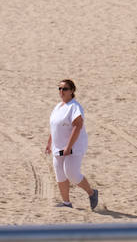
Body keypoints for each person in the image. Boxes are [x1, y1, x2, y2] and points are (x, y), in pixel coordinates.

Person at [46, 79, 99, 210]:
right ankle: (66, 203)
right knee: (60, 174)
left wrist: (68, 147)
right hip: (58, 147)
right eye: (59, 88)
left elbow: (78, 125)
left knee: (72, 173)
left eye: (64, 89)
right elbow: (54, 127)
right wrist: (49, 143)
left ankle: (92, 193)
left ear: (72, 91)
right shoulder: (58, 107)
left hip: (73, 147)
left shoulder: (74, 106)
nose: (61, 91)